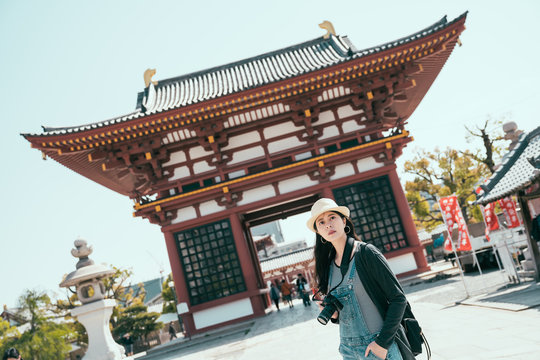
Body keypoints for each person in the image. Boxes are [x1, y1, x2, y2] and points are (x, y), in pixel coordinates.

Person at [308, 198, 415, 360]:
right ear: (318, 232)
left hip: (378, 346)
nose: (328, 224)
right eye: (321, 222)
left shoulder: (366, 253)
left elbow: (398, 299)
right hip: (348, 350)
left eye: (332, 217)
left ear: (344, 221)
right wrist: (335, 315)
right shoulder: (327, 268)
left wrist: (382, 343)